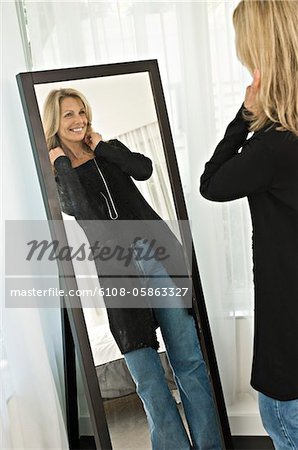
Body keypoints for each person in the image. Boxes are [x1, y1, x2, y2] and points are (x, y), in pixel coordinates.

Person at [43, 87, 222, 449]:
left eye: (81, 112)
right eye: (68, 115)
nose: (78, 120)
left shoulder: (107, 152)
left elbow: (144, 169)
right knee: (148, 379)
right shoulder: (59, 175)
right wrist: (62, 163)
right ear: (55, 123)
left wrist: (103, 146)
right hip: (117, 273)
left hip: (155, 256)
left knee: (188, 361)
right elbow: (89, 217)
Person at [200, 1, 298, 449]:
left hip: (289, 344)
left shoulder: (274, 145)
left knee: (279, 421)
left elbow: (212, 183)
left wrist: (244, 114)